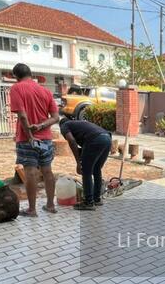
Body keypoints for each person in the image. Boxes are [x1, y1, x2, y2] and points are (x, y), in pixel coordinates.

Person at [9, 63, 59, 216]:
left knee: (30, 173)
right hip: (46, 140)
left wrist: (30, 136)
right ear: (31, 74)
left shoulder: (16, 88)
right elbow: (56, 117)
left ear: (16, 76)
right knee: (47, 171)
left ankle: (32, 209)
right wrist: (41, 125)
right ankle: (50, 205)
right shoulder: (45, 91)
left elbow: (22, 116)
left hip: (26, 139)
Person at [60, 117, 111, 211]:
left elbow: (72, 141)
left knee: (86, 171)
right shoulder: (79, 124)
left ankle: (88, 202)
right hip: (107, 138)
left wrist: (78, 163)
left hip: (95, 139)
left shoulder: (64, 125)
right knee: (96, 169)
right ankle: (96, 199)